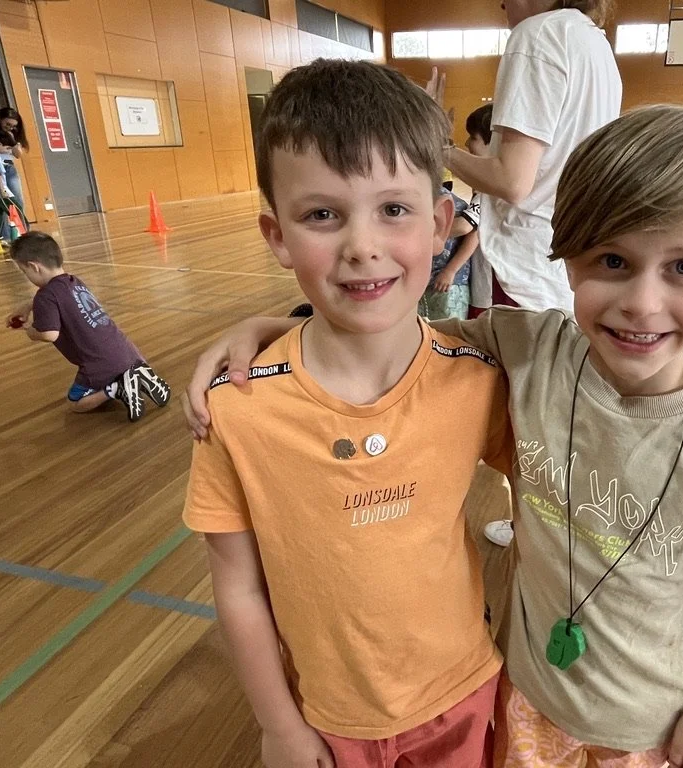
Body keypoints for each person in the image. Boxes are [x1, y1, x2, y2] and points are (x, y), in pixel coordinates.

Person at [183, 104, 683, 768]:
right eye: (613, 260)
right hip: (526, 696)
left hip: (647, 724)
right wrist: (272, 328)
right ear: (570, 260)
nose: (642, 303)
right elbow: (391, 333)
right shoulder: (529, 350)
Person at [183, 60, 514, 768]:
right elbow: (237, 587)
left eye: (393, 209)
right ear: (277, 235)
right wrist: (278, 725)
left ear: (440, 224)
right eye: (322, 215)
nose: (362, 246)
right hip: (325, 717)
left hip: (465, 694)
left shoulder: (479, 379)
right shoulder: (237, 407)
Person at [430, 0, 622, 314]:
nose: (502, 3)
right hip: (566, 256)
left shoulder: (538, 33)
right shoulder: (596, 43)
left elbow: (511, 181)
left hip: (525, 267)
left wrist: (436, 146)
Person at [7, 232, 170, 421]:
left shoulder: (46, 296)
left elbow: (49, 334)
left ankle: (117, 388)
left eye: (24, 271)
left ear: (34, 267)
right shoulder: (74, 282)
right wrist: (29, 305)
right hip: (127, 352)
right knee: (118, 370)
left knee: (75, 403)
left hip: (99, 364)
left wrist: (30, 332)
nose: (26, 276)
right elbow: (59, 301)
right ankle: (138, 375)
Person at [419, 189, 478, 320]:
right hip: (422, 282)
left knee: (450, 328)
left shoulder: (455, 203)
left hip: (450, 283)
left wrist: (450, 271)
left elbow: (473, 233)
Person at [464, 104, 495, 318]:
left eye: (473, 137)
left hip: (487, 291)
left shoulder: (489, 192)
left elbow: (466, 227)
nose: (467, 143)